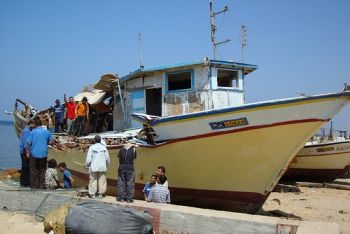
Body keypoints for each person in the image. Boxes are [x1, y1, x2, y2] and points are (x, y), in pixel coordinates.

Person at [26, 118, 53, 189]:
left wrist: (27, 152)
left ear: (35, 125)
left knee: (33, 171)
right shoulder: (47, 132)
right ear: (42, 124)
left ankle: (33, 186)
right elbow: (51, 142)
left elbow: (28, 143)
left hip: (34, 154)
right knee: (42, 171)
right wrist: (46, 142)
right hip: (43, 154)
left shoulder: (32, 132)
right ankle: (41, 186)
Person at [19, 119, 35, 187]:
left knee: (26, 166)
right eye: (34, 125)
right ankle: (24, 183)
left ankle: (25, 182)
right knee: (25, 166)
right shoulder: (27, 131)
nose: (35, 126)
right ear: (30, 124)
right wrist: (27, 152)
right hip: (24, 151)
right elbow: (26, 143)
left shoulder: (28, 130)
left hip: (24, 151)